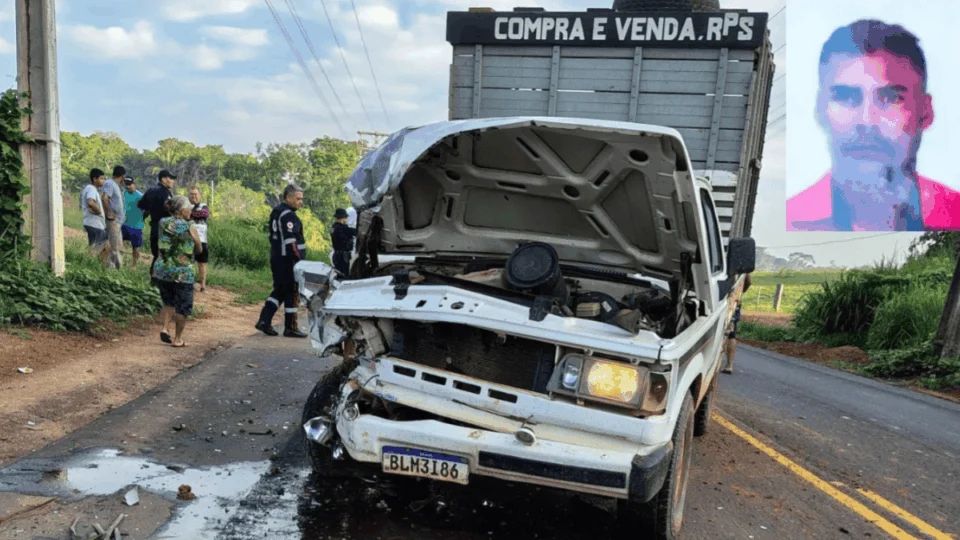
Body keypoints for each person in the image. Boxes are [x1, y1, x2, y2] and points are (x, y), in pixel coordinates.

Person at [786, 20, 960, 232]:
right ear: (820, 109)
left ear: (925, 113)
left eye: (892, 98)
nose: (866, 121)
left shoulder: (955, 212)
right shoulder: (791, 219)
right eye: (845, 97)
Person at [255, 184, 308, 338]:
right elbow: (291, 243)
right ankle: (291, 327)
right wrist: (299, 261)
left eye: (301, 199)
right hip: (288, 261)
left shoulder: (276, 211)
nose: (300, 202)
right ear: (288, 197)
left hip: (277, 258)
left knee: (279, 290)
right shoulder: (288, 215)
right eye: (298, 199)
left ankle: (264, 320)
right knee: (292, 292)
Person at [153, 195, 204, 348]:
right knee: (183, 306)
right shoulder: (189, 226)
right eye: (189, 208)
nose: (190, 211)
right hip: (182, 273)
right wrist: (196, 240)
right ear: (182, 210)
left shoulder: (163, 222)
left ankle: (165, 327)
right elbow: (199, 250)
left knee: (168, 301)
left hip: (163, 269)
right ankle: (178, 339)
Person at [138, 170, 177, 276]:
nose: (172, 181)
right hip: (164, 227)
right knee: (163, 253)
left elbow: (141, 205)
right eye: (170, 178)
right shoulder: (165, 193)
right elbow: (170, 210)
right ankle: (158, 278)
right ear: (163, 179)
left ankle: (153, 276)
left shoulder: (150, 190)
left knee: (156, 253)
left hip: (154, 226)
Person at [722, 273, 752, 374]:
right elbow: (748, 281)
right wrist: (739, 292)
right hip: (735, 301)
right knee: (731, 334)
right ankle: (729, 365)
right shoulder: (742, 263)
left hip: (725, 299)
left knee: (724, 333)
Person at [81, 168, 110, 268]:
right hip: (94, 224)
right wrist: (98, 211)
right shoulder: (91, 189)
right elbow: (90, 202)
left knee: (107, 246)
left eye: (104, 178)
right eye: (101, 178)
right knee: (95, 249)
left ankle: (101, 268)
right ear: (94, 179)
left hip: (98, 224)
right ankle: (87, 266)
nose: (103, 181)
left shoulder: (92, 189)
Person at [100, 166, 126, 269]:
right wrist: (108, 213)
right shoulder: (110, 183)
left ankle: (118, 268)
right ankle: (111, 269)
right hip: (113, 220)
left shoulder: (115, 185)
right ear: (122, 176)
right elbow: (104, 198)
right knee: (114, 245)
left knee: (118, 245)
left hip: (118, 221)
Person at [188, 186, 211, 292]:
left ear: (200, 195)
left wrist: (190, 215)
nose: (193, 196)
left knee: (202, 262)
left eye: (195, 194)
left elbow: (204, 214)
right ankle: (189, 282)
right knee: (188, 261)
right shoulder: (186, 205)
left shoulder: (203, 206)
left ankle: (203, 285)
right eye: (191, 194)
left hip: (201, 239)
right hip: (188, 238)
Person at [121, 177, 145, 269]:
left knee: (136, 246)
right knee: (119, 242)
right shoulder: (124, 194)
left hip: (136, 225)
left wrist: (142, 217)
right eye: (126, 184)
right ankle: (119, 261)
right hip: (124, 223)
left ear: (134, 184)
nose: (128, 186)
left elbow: (146, 209)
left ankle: (133, 266)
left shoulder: (140, 196)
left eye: (129, 184)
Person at [330, 208, 357, 276]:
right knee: (344, 274)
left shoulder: (333, 227)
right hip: (343, 256)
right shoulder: (343, 228)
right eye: (346, 218)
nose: (346, 219)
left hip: (336, 255)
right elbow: (355, 232)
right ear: (343, 218)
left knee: (338, 273)